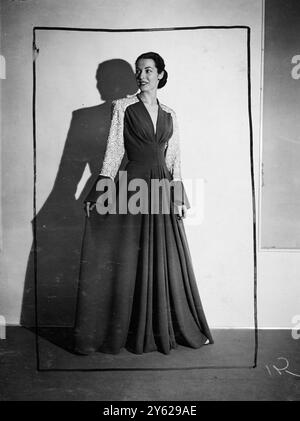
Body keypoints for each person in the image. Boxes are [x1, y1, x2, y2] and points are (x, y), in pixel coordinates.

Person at [73, 52, 213, 355]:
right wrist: (98, 192)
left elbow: (174, 159)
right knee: (130, 256)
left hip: (161, 186)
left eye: (149, 70)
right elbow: (113, 152)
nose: (142, 76)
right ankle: (128, 329)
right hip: (133, 184)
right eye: (139, 71)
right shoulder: (122, 107)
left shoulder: (171, 113)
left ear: (161, 75)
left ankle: (159, 327)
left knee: (161, 257)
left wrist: (178, 198)